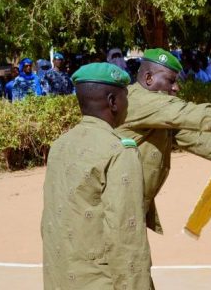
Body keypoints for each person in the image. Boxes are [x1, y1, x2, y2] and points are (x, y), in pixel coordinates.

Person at [116, 49, 211, 258]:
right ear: (148, 78)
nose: (176, 87)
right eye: (170, 81)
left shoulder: (158, 114)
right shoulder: (137, 100)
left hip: (127, 212)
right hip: (112, 214)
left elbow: (198, 138)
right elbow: (192, 114)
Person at [41, 62, 152, 289]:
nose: (127, 104)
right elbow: (126, 235)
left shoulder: (60, 145)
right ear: (113, 102)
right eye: (125, 97)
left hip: (59, 278)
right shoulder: (119, 151)